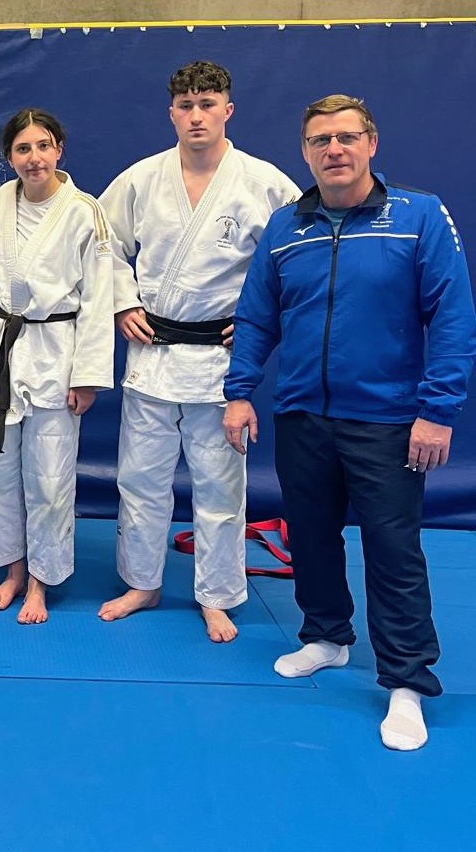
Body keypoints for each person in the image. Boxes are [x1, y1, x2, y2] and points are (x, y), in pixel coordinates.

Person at [223, 94, 476, 750]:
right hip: (302, 414)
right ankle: (327, 636)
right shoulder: (286, 227)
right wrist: (240, 392)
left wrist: (437, 412)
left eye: (345, 137)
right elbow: (256, 317)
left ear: (371, 144)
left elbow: (453, 319)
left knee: (393, 551)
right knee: (310, 536)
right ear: (305, 153)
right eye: (320, 141)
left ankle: (406, 682)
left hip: (389, 421)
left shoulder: (419, 216)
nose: (333, 150)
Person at [97, 61, 299, 642]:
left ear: (227, 110)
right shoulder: (141, 179)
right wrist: (121, 302)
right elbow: (103, 244)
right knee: (140, 480)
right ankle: (143, 582)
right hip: (153, 353)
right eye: (186, 105)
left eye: (207, 104)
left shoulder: (264, 183)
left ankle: (217, 594)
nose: (196, 116)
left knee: (220, 487)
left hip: (220, 363)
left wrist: (263, 321)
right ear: (172, 113)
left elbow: (296, 260)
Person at [0, 108, 118, 624]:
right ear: (9, 157)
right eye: (23, 149)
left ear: (59, 150)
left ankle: (40, 582)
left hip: (55, 353)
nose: (34, 158)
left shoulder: (84, 212)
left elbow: (99, 297)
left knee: (50, 479)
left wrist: (87, 376)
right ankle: (12, 569)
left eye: (44, 146)